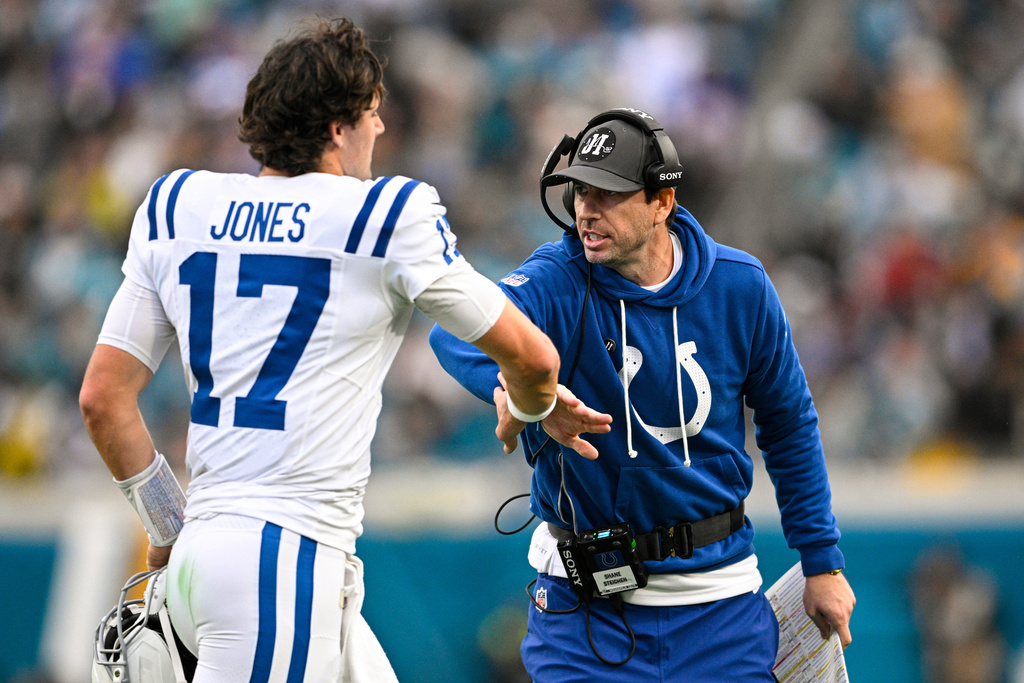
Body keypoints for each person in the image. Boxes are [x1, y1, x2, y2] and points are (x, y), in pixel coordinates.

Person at [78, 17, 609, 683]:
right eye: (371, 114)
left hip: (210, 552)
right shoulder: (379, 215)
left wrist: (168, 525)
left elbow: (102, 399)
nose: (381, 129)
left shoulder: (178, 203)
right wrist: (532, 407)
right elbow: (534, 359)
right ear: (337, 127)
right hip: (283, 559)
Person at [428, 107, 856, 681]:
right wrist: (532, 393)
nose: (586, 209)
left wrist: (822, 562)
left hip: (720, 609)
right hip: (584, 615)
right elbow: (454, 329)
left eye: (608, 193)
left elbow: (789, 424)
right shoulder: (556, 277)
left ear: (662, 202)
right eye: (580, 190)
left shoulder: (741, 285)